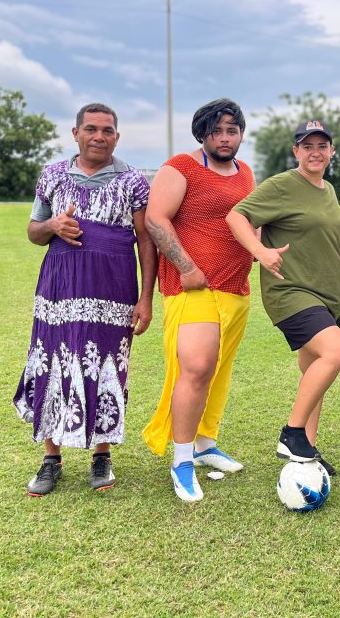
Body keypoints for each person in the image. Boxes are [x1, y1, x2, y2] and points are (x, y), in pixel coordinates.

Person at [14, 103, 157, 496]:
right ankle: (51, 458)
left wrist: (146, 298)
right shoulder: (52, 175)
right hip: (59, 286)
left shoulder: (133, 181)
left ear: (117, 137)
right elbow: (33, 232)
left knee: (107, 365)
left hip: (114, 287)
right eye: (91, 129)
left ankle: (102, 455)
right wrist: (53, 224)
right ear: (75, 133)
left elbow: (146, 241)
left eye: (107, 130)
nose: (99, 136)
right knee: (51, 362)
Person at [226, 120, 340, 477]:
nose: (315, 152)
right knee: (335, 351)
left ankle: (306, 451)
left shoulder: (327, 189)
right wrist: (260, 251)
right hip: (291, 292)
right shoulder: (283, 185)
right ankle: (293, 434)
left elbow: (310, 226)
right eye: (307, 146)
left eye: (322, 146)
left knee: (314, 373)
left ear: (331, 151)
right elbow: (237, 216)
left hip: (325, 295)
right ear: (296, 151)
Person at [141, 98, 256, 503]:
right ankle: (182, 460)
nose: (225, 138)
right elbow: (155, 218)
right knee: (197, 366)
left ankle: (206, 443)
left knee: (217, 370)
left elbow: (255, 222)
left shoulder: (246, 173)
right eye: (216, 131)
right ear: (202, 134)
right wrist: (187, 267)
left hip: (235, 287)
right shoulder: (181, 167)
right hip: (193, 287)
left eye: (232, 131)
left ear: (241, 134)